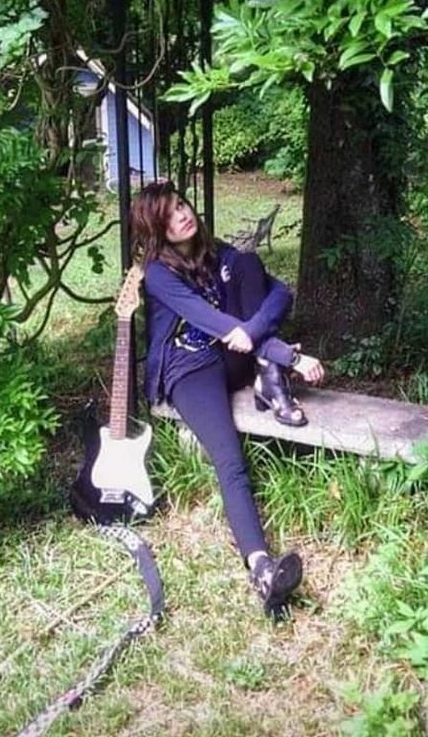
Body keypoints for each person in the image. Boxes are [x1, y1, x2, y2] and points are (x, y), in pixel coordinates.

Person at [131, 180, 325, 617]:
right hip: (189, 370)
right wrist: (286, 354)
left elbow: (280, 293)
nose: (182, 215)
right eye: (169, 215)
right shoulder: (158, 274)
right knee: (229, 459)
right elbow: (220, 324)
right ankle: (261, 567)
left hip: (230, 352)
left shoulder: (212, 249)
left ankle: (266, 375)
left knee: (251, 265)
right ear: (157, 230)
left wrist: (260, 340)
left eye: (181, 205)